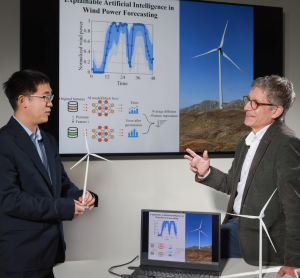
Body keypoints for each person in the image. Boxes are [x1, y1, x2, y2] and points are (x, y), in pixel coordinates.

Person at [184, 75, 300, 278]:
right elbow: (233, 185)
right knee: (183, 242)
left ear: (276, 110)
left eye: (255, 103)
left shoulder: (286, 144)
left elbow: (295, 208)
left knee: (187, 248)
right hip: (236, 224)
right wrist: (206, 173)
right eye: (248, 100)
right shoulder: (245, 141)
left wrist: (294, 261)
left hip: (261, 236)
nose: (246, 107)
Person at [0, 70, 98, 278]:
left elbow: (60, 184)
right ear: (22, 101)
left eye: (50, 97)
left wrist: (80, 195)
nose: (50, 103)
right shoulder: (3, 142)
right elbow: (10, 199)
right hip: (20, 257)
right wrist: (64, 207)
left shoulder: (49, 141)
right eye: (45, 97)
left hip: (50, 253)